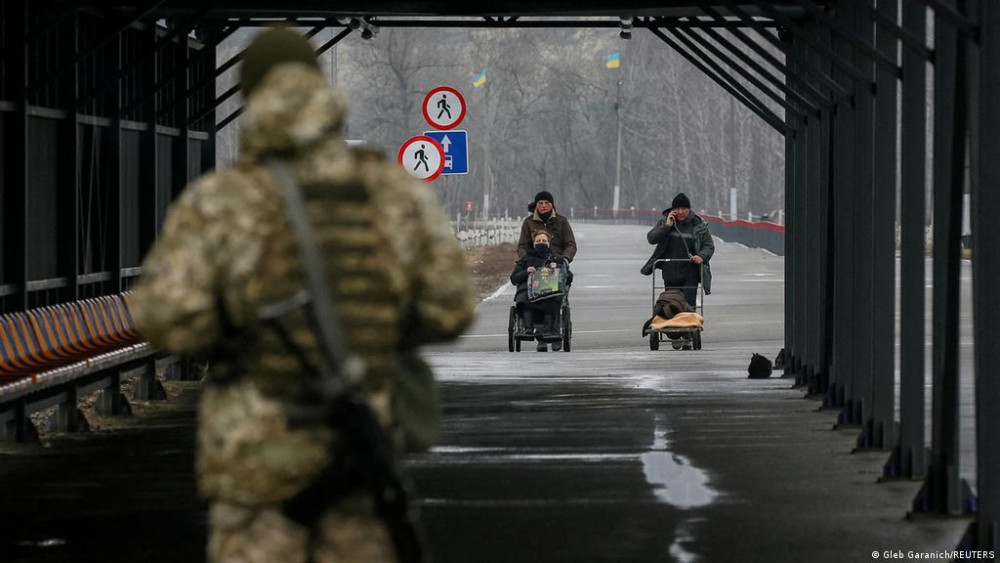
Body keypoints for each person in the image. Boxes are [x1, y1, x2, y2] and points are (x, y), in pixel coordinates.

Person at [126, 27, 475, 563]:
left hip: (253, 464)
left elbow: (167, 318)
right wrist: (378, 329)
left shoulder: (221, 200)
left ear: (251, 94)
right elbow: (451, 307)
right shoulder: (389, 190)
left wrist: (238, 324)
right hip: (359, 450)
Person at [641, 192, 714, 307]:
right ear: (672, 210)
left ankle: (689, 324)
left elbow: (709, 245)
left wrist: (701, 256)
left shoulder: (698, 224)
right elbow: (651, 238)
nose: (680, 212)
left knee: (689, 305)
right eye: (677, 208)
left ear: (689, 209)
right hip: (670, 272)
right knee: (672, 305)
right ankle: (674, 324)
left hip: (690, 272)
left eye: (683, 208)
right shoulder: (665, 221)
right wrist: (667, 226)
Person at [510, 230, 571, 352]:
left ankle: (549, 330)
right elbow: (514, 278)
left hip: (549, 291)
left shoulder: (555, 259)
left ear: (549, 243)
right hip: (529, 290)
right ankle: (527, 328)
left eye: (544, 241)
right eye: (538, 241)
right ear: (533, 242)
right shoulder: (525, 259)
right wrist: (526, 272)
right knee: (525, 297)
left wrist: (557, 270)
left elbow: (569, 277)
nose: (541, 243)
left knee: (552, 298)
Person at [516, 191, 577, 263]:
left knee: (568, 274)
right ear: (536, 205)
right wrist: (526, 260)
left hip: (558, 261)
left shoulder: (562, 221)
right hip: (533, 263)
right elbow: (522, 246)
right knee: (517, 274)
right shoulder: (528, 222)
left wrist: (566, 258)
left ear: (552, 205)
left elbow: (571, 244)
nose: (544, 205)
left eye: (547, 202)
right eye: (540, 203)